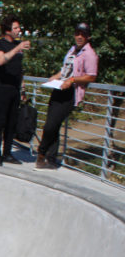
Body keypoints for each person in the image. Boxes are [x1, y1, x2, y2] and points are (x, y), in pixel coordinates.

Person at [35, 22, 98, 170]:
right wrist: (55, 77)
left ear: (88, 36)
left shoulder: (90, 54)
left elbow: (91, 77)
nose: (79, 37)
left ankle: (41, 153)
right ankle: (51, 160)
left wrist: (72, 80)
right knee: (53, 125)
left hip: (70, 93)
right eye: (77, 33)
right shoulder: (73, 50)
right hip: (59, 88)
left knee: (51, 126)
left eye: (83, 34)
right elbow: (65, 70)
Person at [0, 14, 31, 166]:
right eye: (15, 28)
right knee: (0, 121)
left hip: (15, 88)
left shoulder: (18, 45)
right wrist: (17, 48)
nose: (18, 30)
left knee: (11, 122)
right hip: (2, 88)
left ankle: (7, 153)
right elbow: (0, 60)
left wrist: (22, 86)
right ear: (7, 30)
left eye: (18, 27)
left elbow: (19, 68)